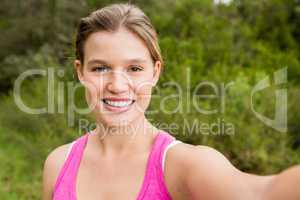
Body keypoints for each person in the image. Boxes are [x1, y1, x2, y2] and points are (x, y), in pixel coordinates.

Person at [42, 3, 300, 200]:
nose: (117, 85)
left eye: (134, 69)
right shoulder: (58, 164)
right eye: (100, 68)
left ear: (155, 71)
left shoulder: (182, 165)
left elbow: (264, 193)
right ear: (80, 71)